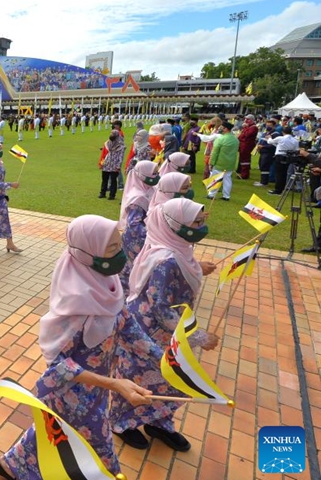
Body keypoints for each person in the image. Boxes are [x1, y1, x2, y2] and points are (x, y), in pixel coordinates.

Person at [0, 215, 156, 479]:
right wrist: (114, 384)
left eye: (119, 244)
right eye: (112, 248)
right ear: (88, 253)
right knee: (101, 455)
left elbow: (126, 324)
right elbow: (57, 367)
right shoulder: (75, 304)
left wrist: (166, 361)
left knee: (57, 430)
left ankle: (13, 464)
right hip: (74, 397)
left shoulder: (108, 283)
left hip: (99, 388)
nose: (121, 252)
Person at [110, 198, 218, 451]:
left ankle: (158, 423)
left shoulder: (175, 246)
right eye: (196, 223)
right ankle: (122, 423)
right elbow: (159, 308)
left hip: (170, 330)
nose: (201, 227)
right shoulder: (166, 259)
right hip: (149, 331)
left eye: (202, 222)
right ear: (174, 225)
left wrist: (199, 269)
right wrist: (198, 338)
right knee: (139, 377)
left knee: (168, 380)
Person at [117, 160, 159, 295]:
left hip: (145, 237)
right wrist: (155, 234)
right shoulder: (138, 197)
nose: (157, 176)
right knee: (134, 268)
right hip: (137, 239)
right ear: (142, 175)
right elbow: (134, 225)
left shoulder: (148, 189)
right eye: (154, 173)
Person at [207, 122, 239, 201]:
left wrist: (211, 163)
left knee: (215, 179)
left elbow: (214, 153)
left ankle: (211, 195)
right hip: (230, 163)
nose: (219, 129)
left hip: (219, 163)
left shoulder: (220, 139)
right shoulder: (235, 139)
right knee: (227, 179)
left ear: (225, 129)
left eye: (221, 127)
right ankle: (226, 196)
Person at [267, 126, 299, 195]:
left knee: (279, 174)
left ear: (282, 132)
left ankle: (278, 190)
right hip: (288, 157)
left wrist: (269, 137)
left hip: (280, 156)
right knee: (284, 173)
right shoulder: (295, 140)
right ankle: (282, 188)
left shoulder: (280, 138)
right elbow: (296, 150)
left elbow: (270, 142)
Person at [99, 130, 124, 200]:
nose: (111, 135)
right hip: (107, 163)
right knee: (104, 179)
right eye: (111, 133)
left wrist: (118, 166)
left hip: (115, 164)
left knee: (113, 180)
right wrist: (101, 163)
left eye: (113, 133)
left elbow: (121, 157)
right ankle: (102, 193)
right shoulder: (107, 143)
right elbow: (104, 154)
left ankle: (112, 195)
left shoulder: (120, 145)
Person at [237, 114, 258, 180]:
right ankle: (242, 172)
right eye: (245, 119)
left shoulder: (253, 127)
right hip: (243, 145)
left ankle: (244, 175)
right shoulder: (249, 127)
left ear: (251, 120)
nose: (245, 121)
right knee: (243, 159)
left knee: (245, 160)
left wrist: (245, 128)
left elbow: (246, 135)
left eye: (247, 119)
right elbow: (241, 136)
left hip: (247, 145)